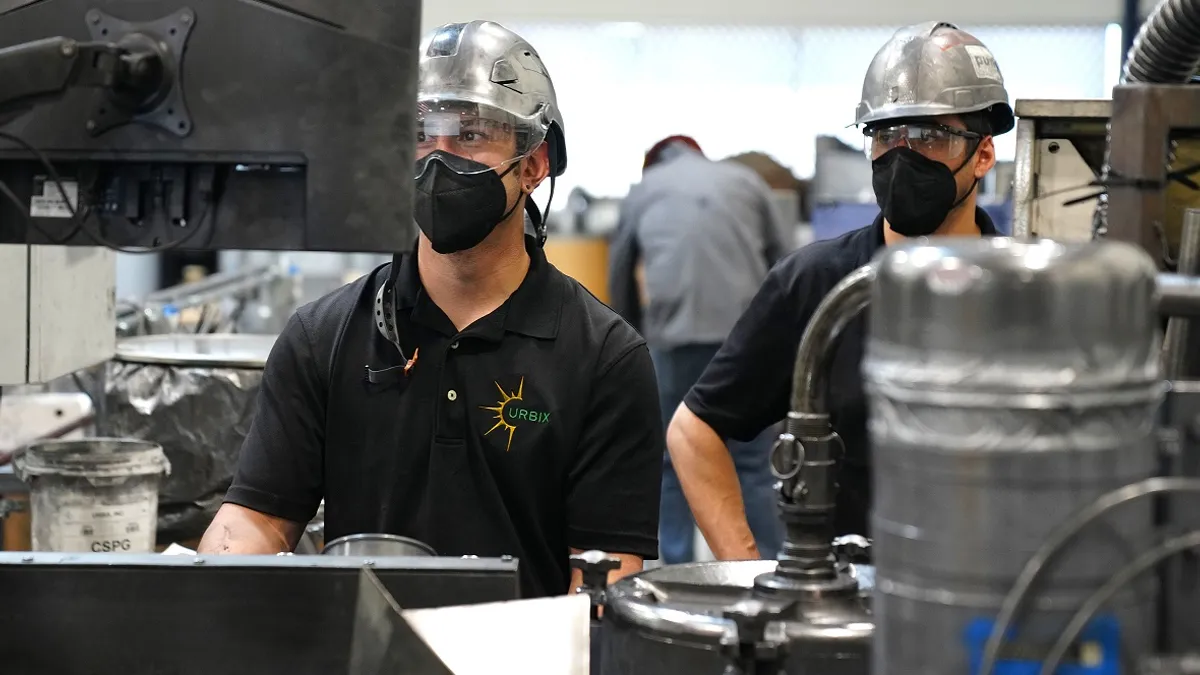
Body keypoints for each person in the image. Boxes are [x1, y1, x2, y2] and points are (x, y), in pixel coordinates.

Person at [197, 20, 664, 598]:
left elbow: (602, 580)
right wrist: (211, 594)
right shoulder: (322, 337)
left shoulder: (606, 360)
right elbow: (257, 519)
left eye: (469, 135)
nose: (437, 161)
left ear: (534, 163)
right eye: (419, 135)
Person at [665, 21, 1015, 560]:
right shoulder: (815, 284)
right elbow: (693, 431)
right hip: (847, 610)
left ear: (984, 155)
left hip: (986, 605)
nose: (903, 155)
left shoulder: (1026, 293)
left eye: (930, 136)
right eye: (885, 135)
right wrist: (749, 573)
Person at [607, 135, 786, 564]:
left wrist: (630, 340)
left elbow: (619, 270)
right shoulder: (745, 180)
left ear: (653, 163)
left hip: (674, 340)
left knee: (671, 459)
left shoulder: (644, 190)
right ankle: (769, 566)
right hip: (744, 340)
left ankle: (675, 567)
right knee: (753, 463)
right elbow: (784, 264)